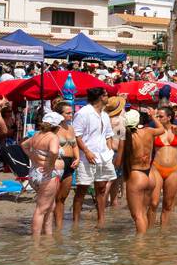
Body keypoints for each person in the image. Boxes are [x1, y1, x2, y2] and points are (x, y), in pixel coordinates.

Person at [72, 87, 116, 226]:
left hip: (103, 155)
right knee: (82, 189)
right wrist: (86, 151)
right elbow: (76, 135)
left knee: (101, 187)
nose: (108, 97)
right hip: (87, 156)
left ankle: (101, 219)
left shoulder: (104, 114)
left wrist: (109, 151)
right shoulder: (84, 113)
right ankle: (76, 222)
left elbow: (108, 135)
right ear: (100, 97)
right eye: (106, 95)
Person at [27, 109, 64, 236]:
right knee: (41, 209)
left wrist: (33, 157)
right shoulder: (52, 137)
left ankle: (48, 237)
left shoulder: (36, 135)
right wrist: (50, 164)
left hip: (34, 173)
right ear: (56, 126)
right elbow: (54, 151)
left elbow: (23, 145)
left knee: (50, 206)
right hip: (47, 175)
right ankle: (35, 243)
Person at [123, 109, 156, 232]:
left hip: (136, 175)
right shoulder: (148, 131)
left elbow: (119, 159)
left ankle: (140, 247)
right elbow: (162, 129)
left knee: (137, 216)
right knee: (143, 213)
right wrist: (153, 116)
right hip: (150, 174)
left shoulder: (126, 137)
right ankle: (146, 243)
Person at [51, 99, 79, 232]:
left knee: (62, 198)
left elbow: (74, 145)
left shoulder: (71, 128)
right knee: (53, 198)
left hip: (70, 164)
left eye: (71, 112)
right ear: (60, 114)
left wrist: (78, 158)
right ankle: (50, 226)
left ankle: (59, 228)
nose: (71, 115)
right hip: (57, 164)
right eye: (68, 113)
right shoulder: (54, 128)